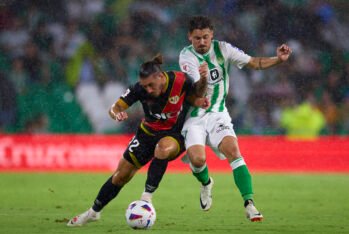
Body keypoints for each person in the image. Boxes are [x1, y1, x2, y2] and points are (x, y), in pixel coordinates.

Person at [67, 54, 209, 227]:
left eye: (151, 85)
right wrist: (116, 113)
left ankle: (146, 197)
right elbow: (115, 107)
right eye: (145, 86)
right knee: (120, 176)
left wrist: (202, 85)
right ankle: (93, 212)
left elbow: (194, 95)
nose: (148, 89)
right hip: (147, 133)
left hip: (174, 133)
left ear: (160, 76)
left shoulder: (180, 80)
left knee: (163, 149)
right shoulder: (139, 89)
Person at [179, 16, 292, 222]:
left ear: (212, 35)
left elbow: (254, 62)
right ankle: (206, 183)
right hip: (194, 116)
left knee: (234, 151)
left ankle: (249, 204)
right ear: (190, 37)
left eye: (205, 37)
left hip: (218, 114)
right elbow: (198, 92)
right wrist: (203, 78)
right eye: (197, 38)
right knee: (198, 159)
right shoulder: (186, 56)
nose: (202, 42)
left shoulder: (223, 49)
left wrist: (277, 60)